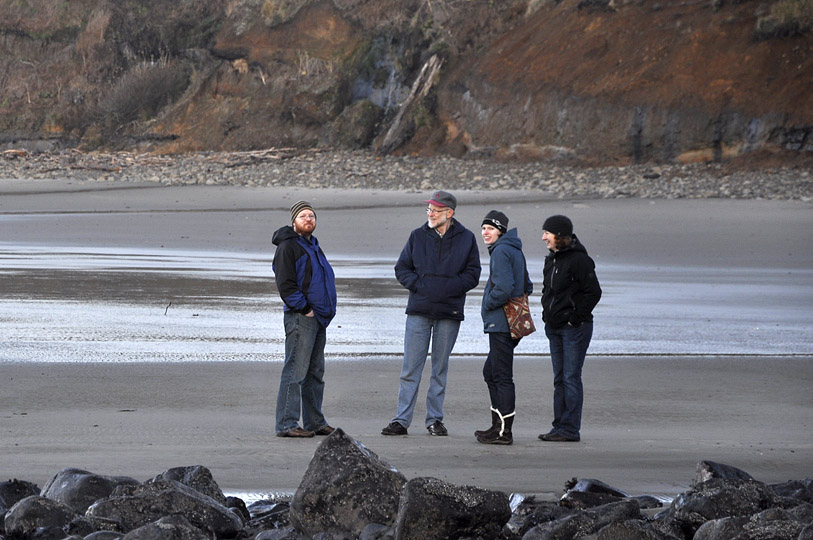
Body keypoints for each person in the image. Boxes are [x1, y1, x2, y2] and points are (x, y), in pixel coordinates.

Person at [381, 190, 481, 436]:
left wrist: (449, 288)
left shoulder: (467, 238)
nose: (431, 214)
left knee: (439, 369)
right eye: (429, 209)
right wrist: (419, 285)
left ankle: (434, 420)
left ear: (449, 213)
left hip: (449, 311)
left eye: (436, 210)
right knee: (410, 368)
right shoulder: (417, 235)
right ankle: (401, 421)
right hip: (419, 310)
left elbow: (473, 274)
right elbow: (402, 268)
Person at [271, 201, 337, 438]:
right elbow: (285, 284)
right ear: (294, 221)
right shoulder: (288, 246)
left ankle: (315, 422)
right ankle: (287, 424)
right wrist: (304, 308)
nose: (308, 219)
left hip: (319, 317)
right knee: (295, 371)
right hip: (301, 317)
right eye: (303, 216)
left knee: (315, 372)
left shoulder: (313, 246)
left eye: (311, 216)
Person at [538, 214, 602, 442]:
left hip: (575, 328)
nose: (543, 237)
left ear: (560, 236)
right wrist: (546, 315)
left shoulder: (580, 260)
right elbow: (549, 291)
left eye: (547, 233)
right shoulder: (551, 259)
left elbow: (593, 292)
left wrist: (574, 318)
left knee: (570, 377)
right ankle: (559, 427)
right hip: (554, 327)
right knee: (559, 379)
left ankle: (570, 429)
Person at [476, 210, 533, 445]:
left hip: (501, 324)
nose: (485, 232)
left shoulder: (501, 251)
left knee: (500, 376)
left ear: (500, 230)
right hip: (511, 323)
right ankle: (497, 426)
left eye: (490, 228)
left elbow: (504, 288)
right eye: (483, 228)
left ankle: (504, 433)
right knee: (491, 372)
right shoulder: (514, 249)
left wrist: (488, 304)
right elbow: (527, 285)